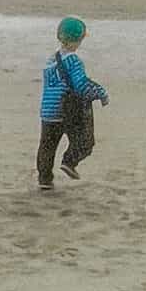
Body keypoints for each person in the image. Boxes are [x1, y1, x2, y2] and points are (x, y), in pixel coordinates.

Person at [36, 16, 109, 191]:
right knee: (84, 141)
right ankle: (69, 162)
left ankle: (45, 180)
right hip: (66, 110)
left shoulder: (50, 60)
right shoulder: (73, 60)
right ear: (79, 39)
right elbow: (81, 86)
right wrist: (101, 93)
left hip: (47, 111)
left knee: (47, 146)